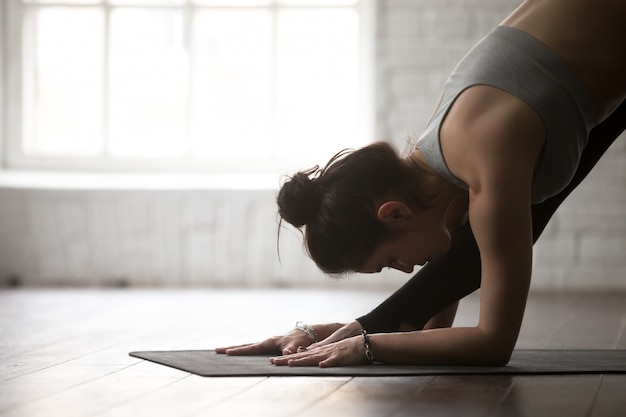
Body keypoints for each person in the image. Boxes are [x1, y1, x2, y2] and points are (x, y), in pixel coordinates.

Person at [216, 0, 626, 367]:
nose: (406, 269)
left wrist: (369, 343)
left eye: (389, 261)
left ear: (395, 213)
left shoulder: (488, 159)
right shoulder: (445, 153)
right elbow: (444, 295)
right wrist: (337, 331)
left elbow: (494, 342)